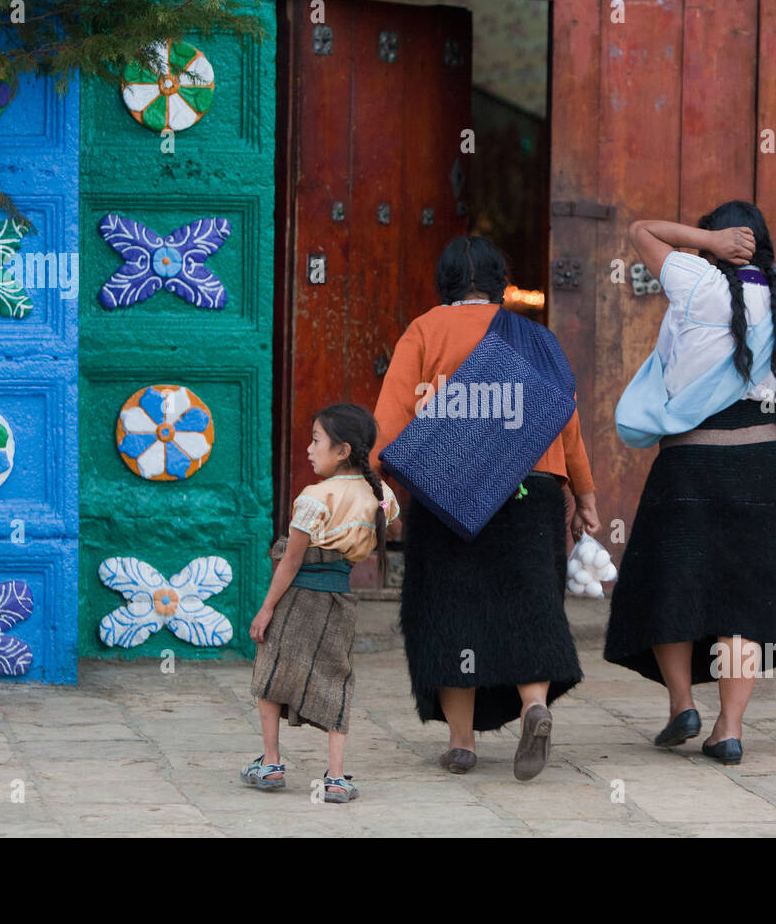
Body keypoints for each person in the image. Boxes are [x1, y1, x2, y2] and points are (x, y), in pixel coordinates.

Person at [371, 235, 600, 781]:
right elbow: (565, 420)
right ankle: (534, 704)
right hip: (534, 489)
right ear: (501, 280)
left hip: (448, 488)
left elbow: (391, 415)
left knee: (448, 608)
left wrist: (378, 479)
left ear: (443, 280)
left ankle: (461, 743)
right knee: (530, 604)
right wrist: (584, 498)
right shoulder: (536, 339)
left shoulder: (425, 329)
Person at [604, 200, 776, 766]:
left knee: (670, 581)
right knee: (743, 601)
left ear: (720, 241)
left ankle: (683, 704)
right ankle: (729, 729)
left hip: (691, 461)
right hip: (765, 463)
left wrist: (707, 242)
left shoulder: (697, 282)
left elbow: (642, 229)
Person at [243, 403, 399, 803]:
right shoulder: (380, 494)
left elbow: (292, 560)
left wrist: (266, 609)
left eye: (316, 441)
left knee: (271, 672)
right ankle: (335, 777)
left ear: (343, 450)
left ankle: (272, 763)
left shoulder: (314, 497)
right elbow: (390, 517)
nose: (310, 449)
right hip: (339, 600)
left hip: (298, 597)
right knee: (336, 677)